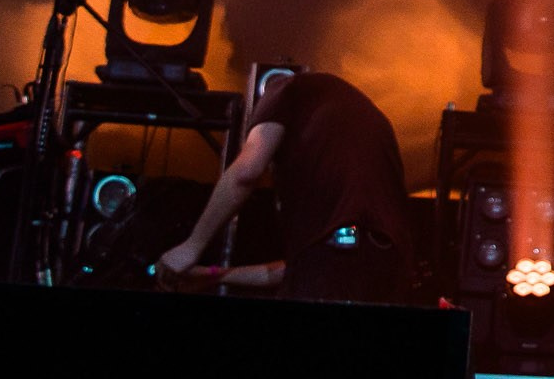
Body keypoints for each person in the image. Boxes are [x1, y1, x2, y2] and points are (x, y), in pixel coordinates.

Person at [157, 68, 415, 304]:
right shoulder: (355, 128)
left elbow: (245, 173)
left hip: (336, 262)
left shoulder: (282, 90)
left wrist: (191, 247)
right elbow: (295, 269)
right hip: (393, 269)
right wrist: (215, 275)